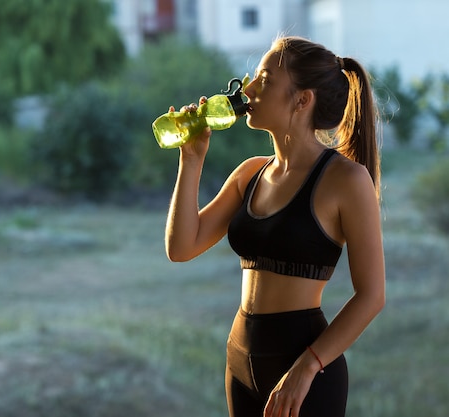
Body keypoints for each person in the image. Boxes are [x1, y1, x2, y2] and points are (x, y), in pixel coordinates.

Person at [164, 36, 385, 417]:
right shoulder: (250, 172)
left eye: (264, 80)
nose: (247, 89)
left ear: (302, 100)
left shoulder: (347, 180)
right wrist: (192, 160)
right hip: (239, 358)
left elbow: (371, 296)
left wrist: (307, 368)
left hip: (304, 370)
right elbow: (181, 248)